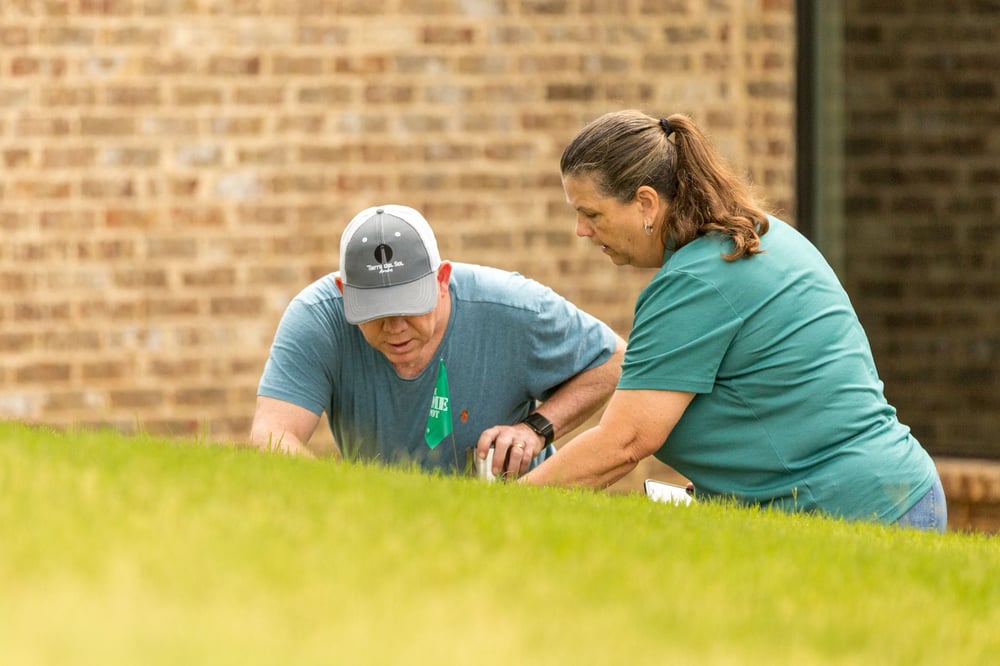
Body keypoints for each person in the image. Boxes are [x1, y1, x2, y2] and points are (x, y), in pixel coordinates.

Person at [517, 110, 947, 532]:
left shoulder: (696, 280)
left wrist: (511, 504)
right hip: (893, 492)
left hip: (854, 511)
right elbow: (777, 390)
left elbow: (625, 441)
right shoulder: (759, 235)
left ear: (646, 203)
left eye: (592, 214)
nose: (581, 230)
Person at [251, 203, 626, 478]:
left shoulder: (512, 307)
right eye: (375, 311)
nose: (395, 326)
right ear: (343, 292)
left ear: (442, 279)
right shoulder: (316, 317)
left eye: (409, 306)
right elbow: (271, 435)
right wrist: (346, 499)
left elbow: (613, 359)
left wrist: (535, 429)